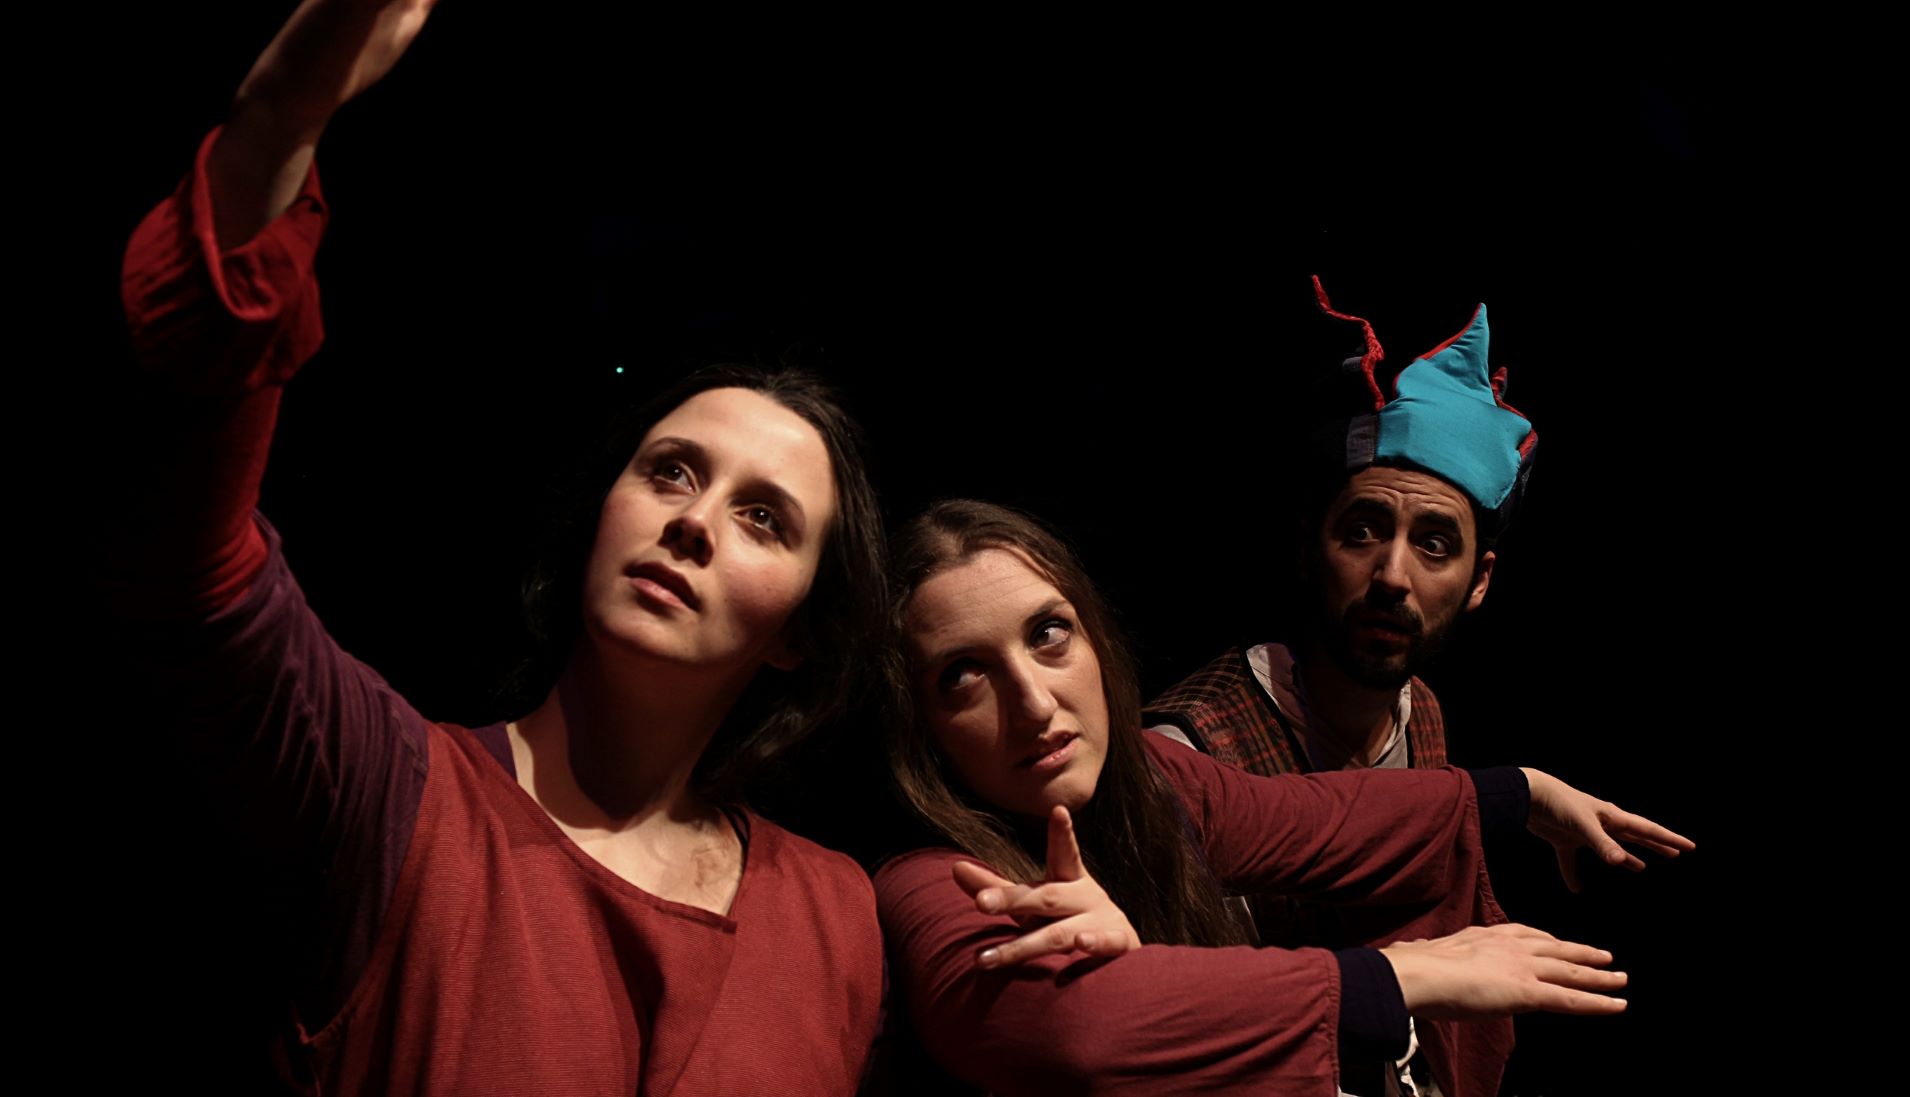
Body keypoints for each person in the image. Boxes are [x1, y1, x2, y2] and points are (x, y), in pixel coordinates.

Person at [106, 2, 888, 1092]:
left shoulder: (839, 917)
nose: (693, 520)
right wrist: (276, 123)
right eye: (670, 470)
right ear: (603, 512)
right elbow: (200, 574)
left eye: (764, 517)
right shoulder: (390, 793)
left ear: (801, 631)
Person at [875, 499, 1692, 1097]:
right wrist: (1393, 975)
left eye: (1048, 633)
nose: (1034, 701)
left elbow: (1321, 818)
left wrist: (1523, 792)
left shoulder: (1154, 782)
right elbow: (1080, 1029)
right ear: (920, 726)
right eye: (963, 674)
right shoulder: (921, 883)